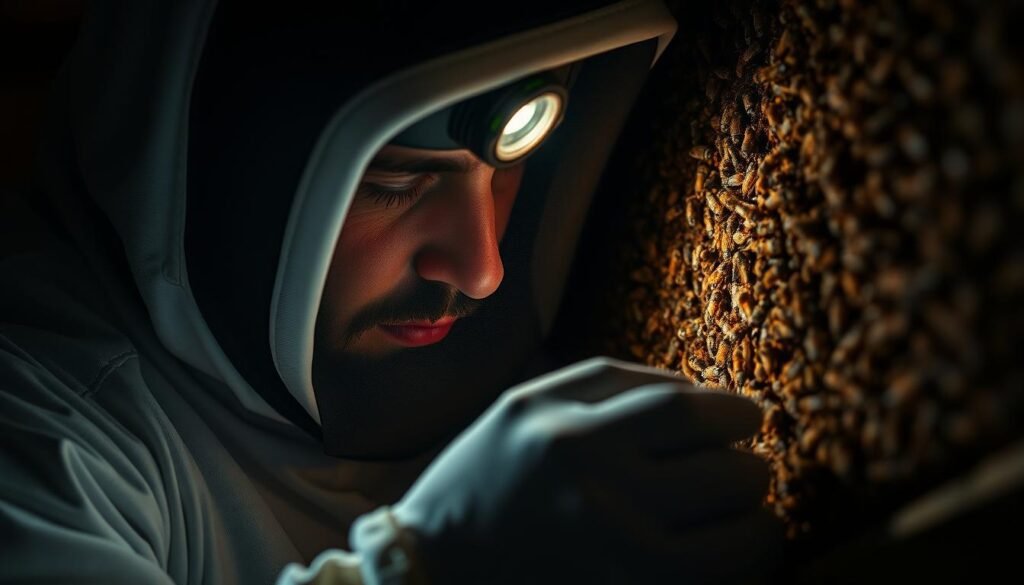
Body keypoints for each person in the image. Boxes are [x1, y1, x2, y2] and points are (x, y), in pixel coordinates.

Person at [0, 1, 782, 583]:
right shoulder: (40, 428)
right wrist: (425, 561)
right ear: (212, 171)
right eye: (395, 180)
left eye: (510, 166)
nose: (482, 269)